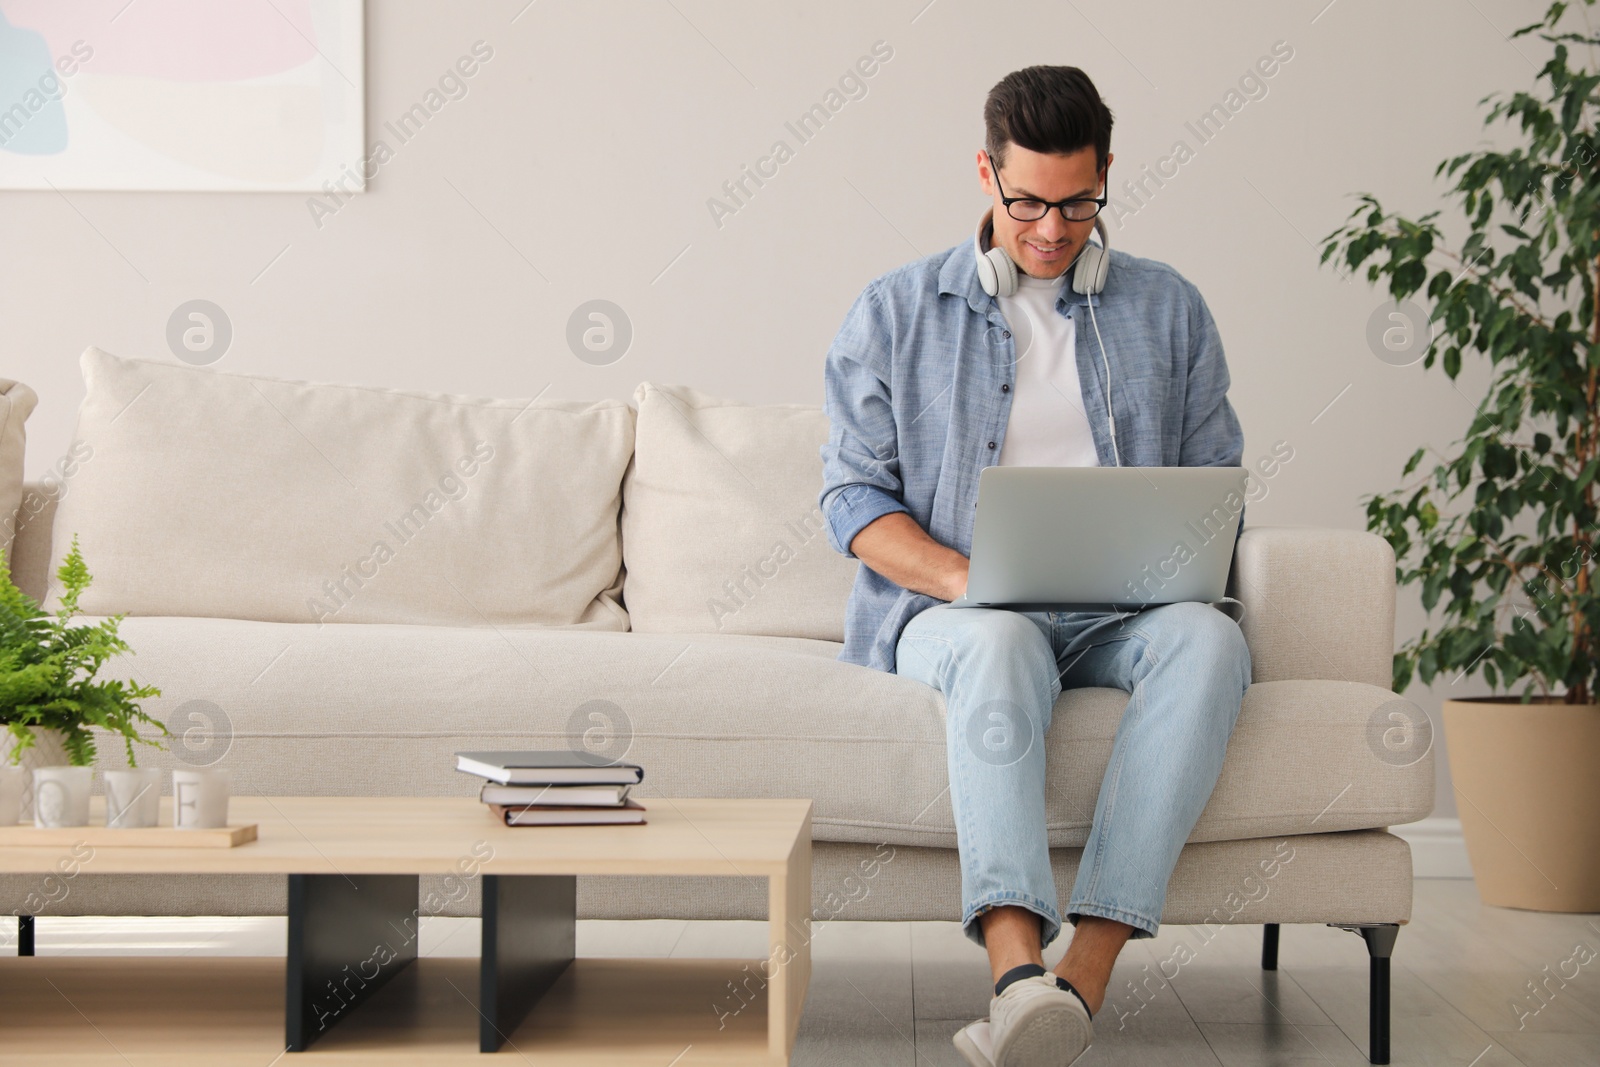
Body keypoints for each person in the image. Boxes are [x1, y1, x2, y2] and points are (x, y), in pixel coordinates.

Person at [817, 65, 1252, 1067]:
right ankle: (1013, 971)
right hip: (962, 610)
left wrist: (1183, 554)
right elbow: (852, 501)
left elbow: (1216, 478)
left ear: (1104, 179)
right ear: (985, 174)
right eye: (1026, 203)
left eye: (1077, 204)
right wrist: (967, 578)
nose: (1052, 230)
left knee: (1207, 637)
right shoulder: (892, 311)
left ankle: (1078, 980)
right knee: (1004, 637)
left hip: (1121, 612)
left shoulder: (1170, 309)